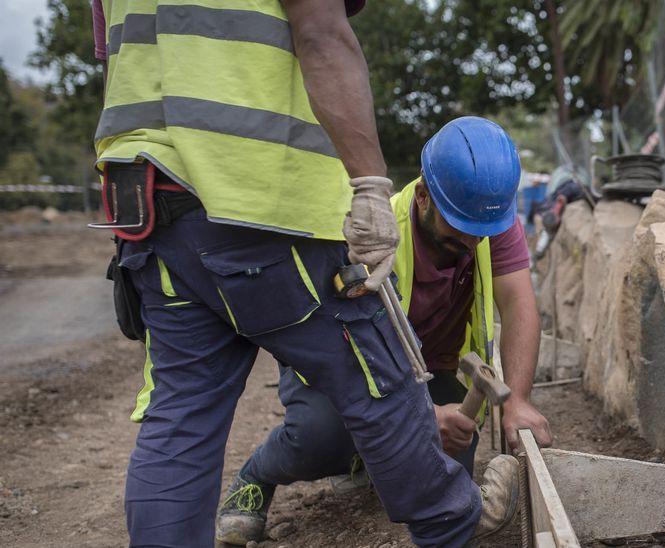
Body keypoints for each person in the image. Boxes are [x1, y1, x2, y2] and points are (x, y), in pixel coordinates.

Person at [92, 1, 510, 546]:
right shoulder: (407, 212)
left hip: (149, 203)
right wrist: (368, 186)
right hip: (262, 199)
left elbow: (115, 59)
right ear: (427, 196)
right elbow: (321, 31)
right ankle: (456, 527)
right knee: (385, 385)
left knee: (181, 419)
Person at [216, 117, 553, 544]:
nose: (472, 243)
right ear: (425, 197)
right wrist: (421, 418)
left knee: (451, 455)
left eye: (481, 233)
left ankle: (373, 457)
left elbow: (520, 303)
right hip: (345, 360)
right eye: (460, 232)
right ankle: (257, 475)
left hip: (430, 368)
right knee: (319, 439)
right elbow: (350, 358)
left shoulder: (487, 223)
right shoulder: (371, 238)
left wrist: (518, 400)